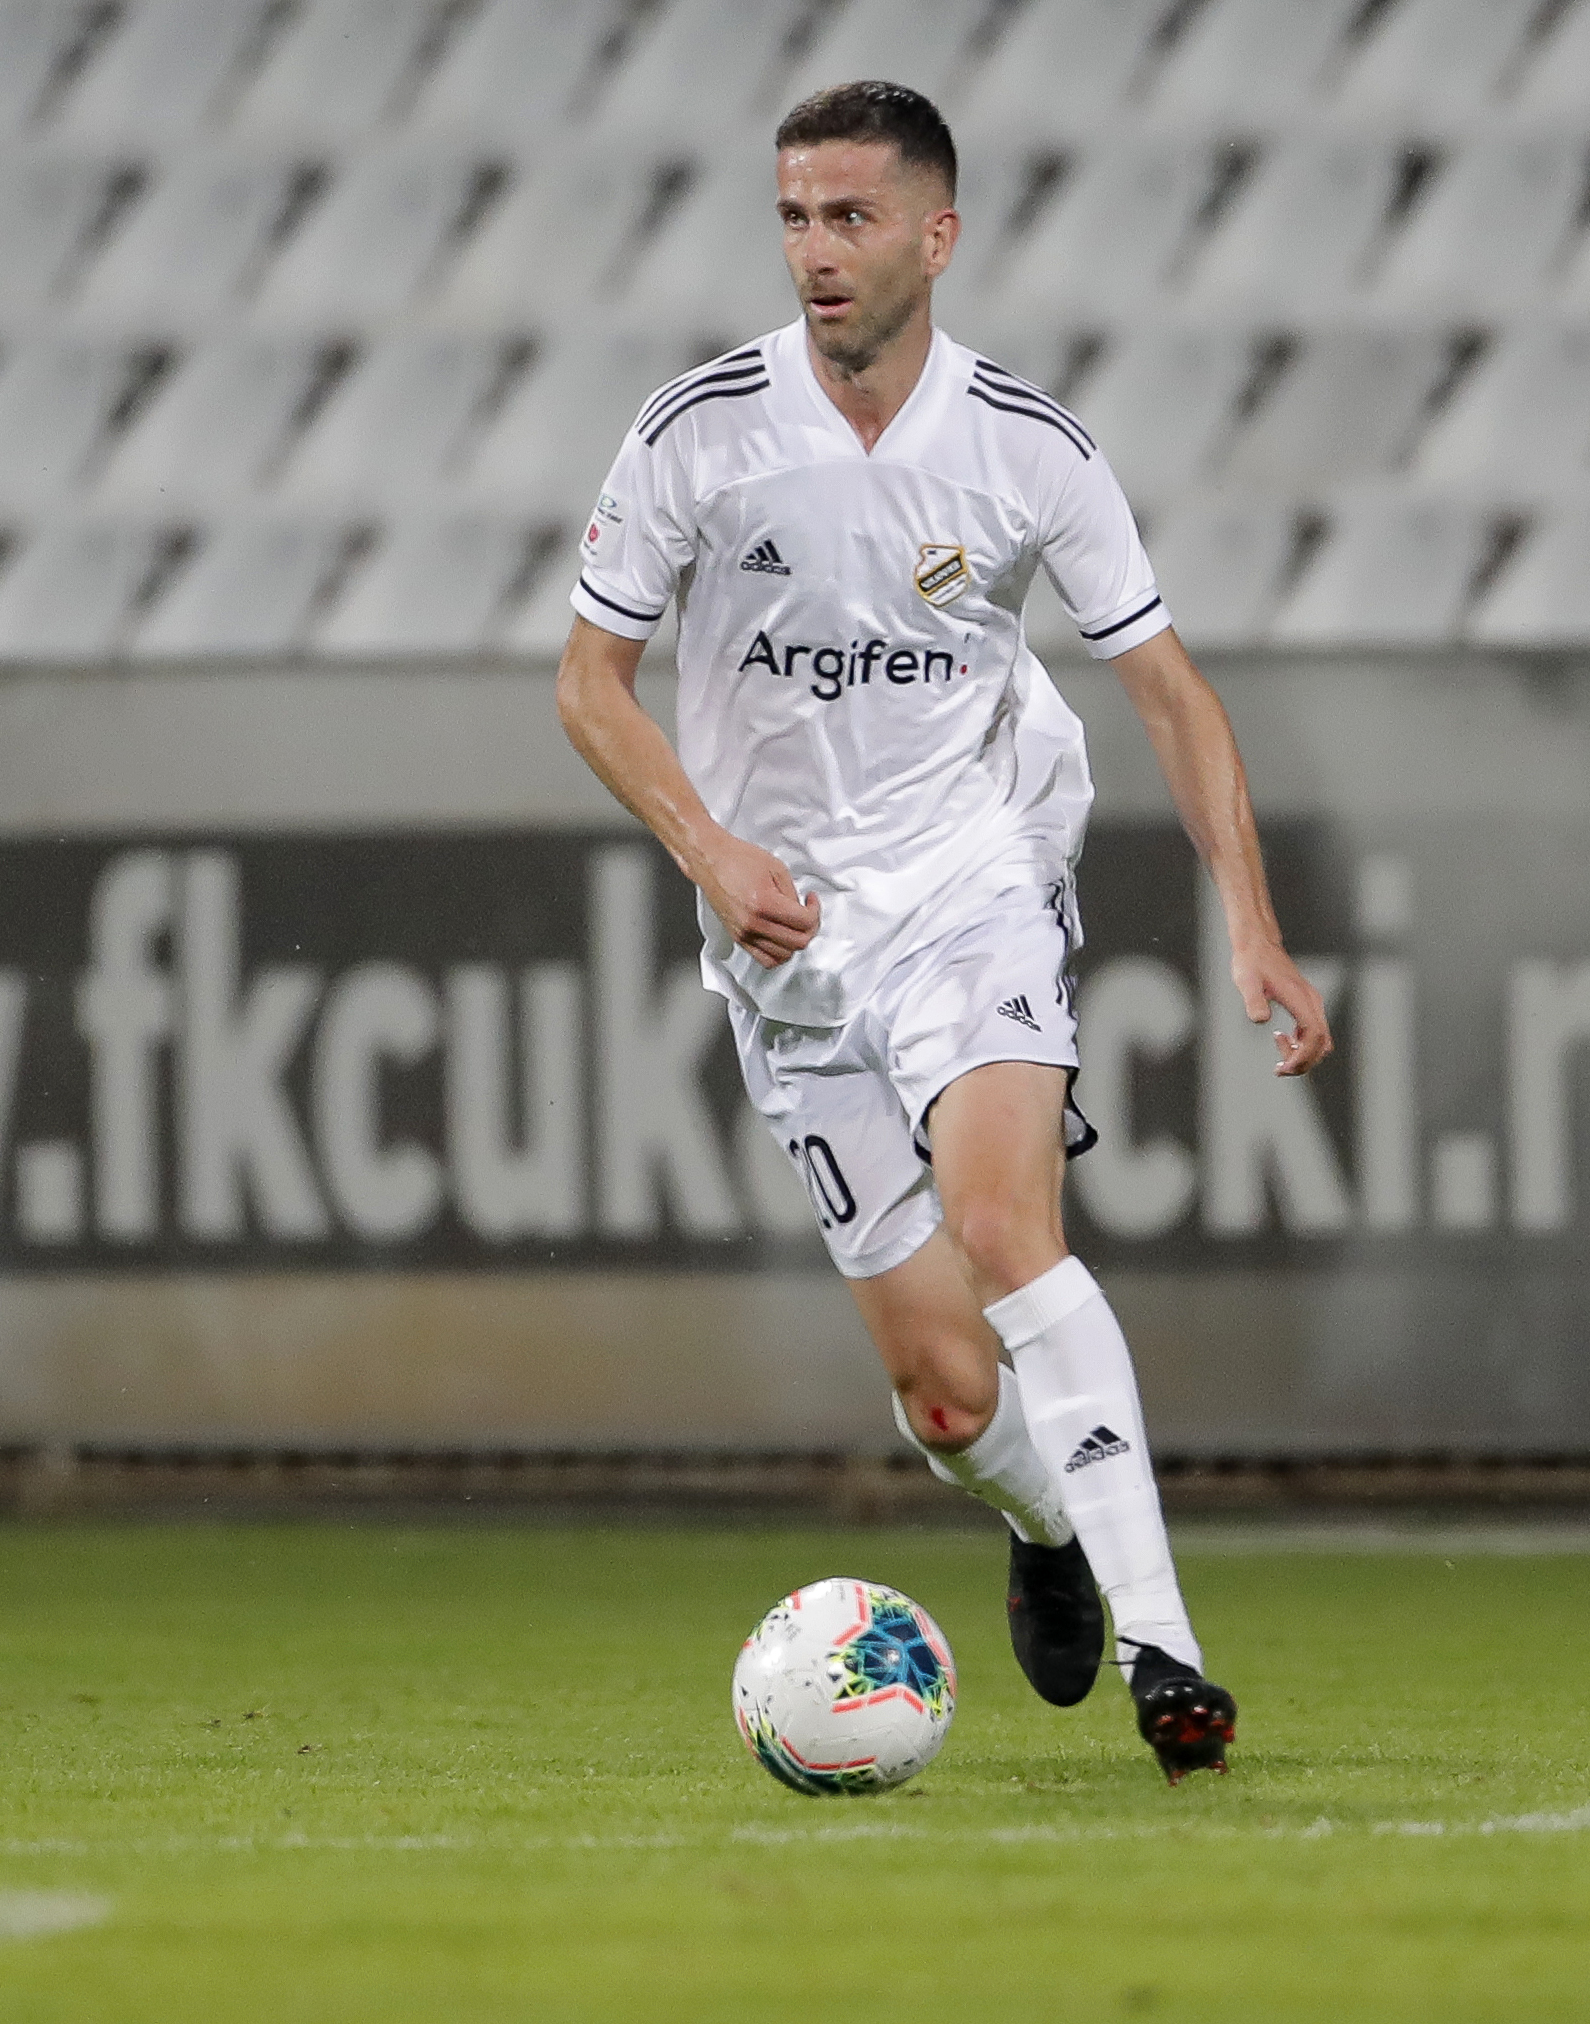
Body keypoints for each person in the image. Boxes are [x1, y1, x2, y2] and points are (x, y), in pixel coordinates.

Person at [554, 80, 1330, 1782]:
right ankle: (1045, 1527)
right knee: (950, 1398)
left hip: (972, 881)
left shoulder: (1030, 449)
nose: (814, 253)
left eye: (847, 217)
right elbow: (588, 684)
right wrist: (707, 842)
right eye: (791, 217)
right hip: (787, 947)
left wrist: (1252, 929)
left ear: (933, 234)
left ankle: (1167, 1651)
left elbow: (1174, 697)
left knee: (1004, 1226)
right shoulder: (698, 430)